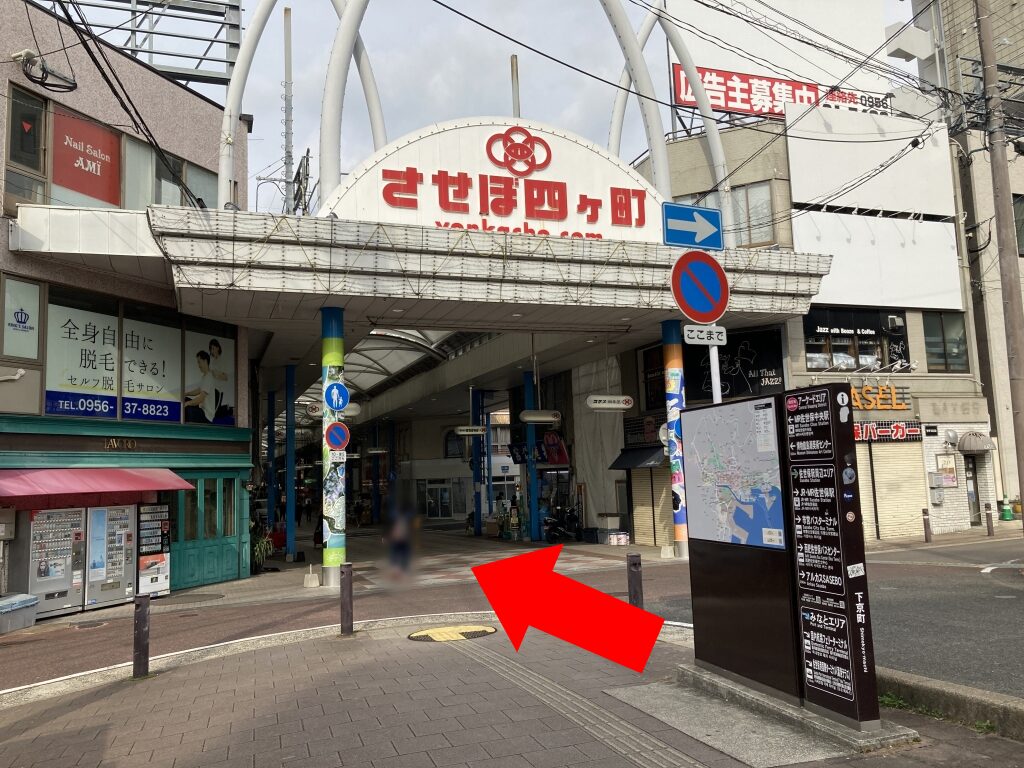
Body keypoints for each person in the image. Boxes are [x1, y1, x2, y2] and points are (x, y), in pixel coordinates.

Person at [184, 351, 216, 423]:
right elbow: (198, 390)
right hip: (202, 409)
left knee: (188, 408)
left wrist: (187, 403)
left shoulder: (208, 378)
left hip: (206, 415)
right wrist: (186, 394)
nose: (198, 365)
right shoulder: (205, 376)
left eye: (199, 362)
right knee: (185, 399)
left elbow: (200, 399)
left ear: (205, 361)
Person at [208, 338, 234, 423]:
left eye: (213, 348)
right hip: (212, 389)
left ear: (218, 348)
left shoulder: (222, 360)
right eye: (211, 349)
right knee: (215, 411)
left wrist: (215, 374)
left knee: (214, 412)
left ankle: (229, 410)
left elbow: (225, 377)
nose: (212, 351)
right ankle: (228, 409)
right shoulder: (213, 361)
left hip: (219, 389)